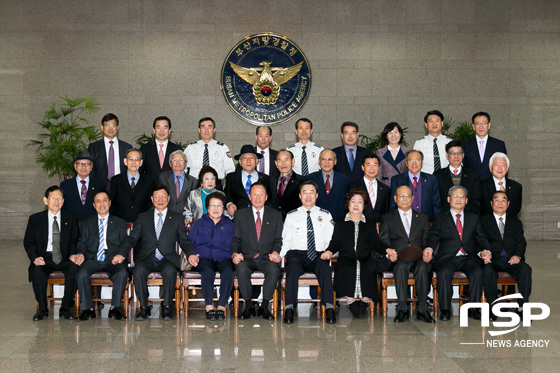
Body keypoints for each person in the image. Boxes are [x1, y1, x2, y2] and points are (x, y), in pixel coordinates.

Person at [119, 184, 199, 321]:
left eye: (163, 196)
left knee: (170, 272)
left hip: (167, 258)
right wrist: (121, 253)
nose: (160, 199)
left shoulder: (177, 218)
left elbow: (184, 241)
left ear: (168, 198)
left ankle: (167, 307)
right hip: (147, 258)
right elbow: (132, 239)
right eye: (157, 196)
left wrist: (191, 254)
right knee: (138, 272)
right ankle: (144, 308)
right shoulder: (143, 217)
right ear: (152, 199)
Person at [426, 186, 492, 321]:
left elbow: (481, 237)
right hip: (447, 258)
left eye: (462, 197)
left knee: (477, 272)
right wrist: (429, 248)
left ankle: (473, 308)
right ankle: (445, 308)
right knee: (443, 273)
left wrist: (487, 251)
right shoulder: (440, 218)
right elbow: (433, 237)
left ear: (466, 200)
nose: (458, 199)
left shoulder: (474, 218)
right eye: (455, 196)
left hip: (468, 257)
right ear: (448, 199)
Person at [281, 181, 336, 324]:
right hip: (297, 255)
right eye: (304, 192)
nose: (308, 196)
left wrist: (329, 251)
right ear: (299, 196)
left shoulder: (325, 214)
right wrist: (279, 255)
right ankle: (289, 308)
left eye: (311, 192)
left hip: (319, 254)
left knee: (325, 268)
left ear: (317, 195)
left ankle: (329, 307)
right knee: (291, 268)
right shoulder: (291, 215)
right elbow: (286, 240)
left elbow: (331, 239)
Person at [378, 186, 434, 324]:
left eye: (408, 196)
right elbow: (383, 241)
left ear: (413, 198)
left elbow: (427, 240)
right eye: (401, 196)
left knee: (422, 268)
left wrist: (428, 250)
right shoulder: (387, 218)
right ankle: (402, 309)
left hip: (418, 258)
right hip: (398, 258)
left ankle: (422, 309)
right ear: (395, 199)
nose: (405, 199)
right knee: (401, 267)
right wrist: (388, 252)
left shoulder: (422, 218)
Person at [23, 186, 79, 321]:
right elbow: (29, 242)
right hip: (44, 257)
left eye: (59, 198)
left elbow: (74, 239)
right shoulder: (35, 219)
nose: (56, 201)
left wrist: (72, 254)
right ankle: (42, 309)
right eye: (53, 198)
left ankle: (65, 308)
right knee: (37, 272)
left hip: (65, 257)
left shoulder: (70, 218)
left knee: (75, 269)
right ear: (45, 200)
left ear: (63, 201)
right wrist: (35, 258)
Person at [325, 189, 383, 319]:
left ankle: (365, 300)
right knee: (346, 267)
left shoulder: (369, 223)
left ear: (364, 205)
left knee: (368, 267)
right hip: (347, 257)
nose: (356, 205)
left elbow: (376, 243)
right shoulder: (340, 222)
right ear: (348, 204)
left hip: (366, 258)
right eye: (353, 202)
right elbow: (335, 242)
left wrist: (387, 250)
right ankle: (350, 301)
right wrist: (329, 251)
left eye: (360, 202)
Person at [231, 182, 283, 321]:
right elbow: (236, 239)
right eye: (254, 194)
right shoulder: (240, 215)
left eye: (261, 194)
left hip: (267, 258)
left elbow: (278, 239)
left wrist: (276, 252)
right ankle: (248, 305)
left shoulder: (276, 215)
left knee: (273, 270)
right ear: (249, 196)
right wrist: (235, 254)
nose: (258, 197)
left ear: (266, 197)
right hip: (247, 257)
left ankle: (264, 306)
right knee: (241, 269)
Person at [74, 190, 128, 321]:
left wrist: (121, 254)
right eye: (98, 201)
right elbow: (82, 242)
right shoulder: (87, 222)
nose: (101, 204)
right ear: (93, 205)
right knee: (81, 274)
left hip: (112, 259)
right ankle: (88, 309)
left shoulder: (119, 222)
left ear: (109, 203)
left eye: (104, 200)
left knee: (121, 273)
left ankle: (114, 308)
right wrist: (80, 253)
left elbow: (125, 243)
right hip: (93, 258)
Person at [481, 191, 532, 315]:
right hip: (492, 259)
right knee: (487, 271)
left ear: (508, 204)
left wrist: (517, 255)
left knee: (525, 269)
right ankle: (492, 307)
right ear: (491, 203)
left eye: (503, 200)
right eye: (496, 200)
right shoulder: (483, 221)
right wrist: (484, 252)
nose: (500, 203)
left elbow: (521, 242)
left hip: (510, 259)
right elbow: (480, 239)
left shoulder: (516, 222)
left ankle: (522, 308)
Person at [188, 192, 234, 321]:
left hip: (223, 257)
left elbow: (235, 243)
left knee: (229, 272)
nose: (216, 208)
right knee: (207, 271)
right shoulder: (199, 223)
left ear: (224, 208)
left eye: (219, 205)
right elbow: (189, 242)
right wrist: (192, 255)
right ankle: (209, 306)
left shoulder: (229, 224)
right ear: (207, 207)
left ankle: (221, 306)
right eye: (212, 205)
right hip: (203, 258)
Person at [390, 150, 441, 221]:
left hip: (427, 222)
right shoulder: (397, 180)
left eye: (417, 160)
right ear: (406, 163)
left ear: (422, 163)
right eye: (411, 160)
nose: (414, 163)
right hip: (403, 223)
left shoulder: (431, 179)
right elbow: (393, 204)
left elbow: (436, 204)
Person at [433, 140, 481, 215]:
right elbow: (436, 201)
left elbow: (476, 201)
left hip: (467, 217)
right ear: (447, 155)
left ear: (463, 155)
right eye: (452, 153)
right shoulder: (438, 175)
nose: (456, 156)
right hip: (444, 218)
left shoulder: (472, 175)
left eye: (459, 153)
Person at [87, 113, 132, 190]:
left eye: (113, 125)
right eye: (107, 125)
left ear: (117, 127)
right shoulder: (94, 147)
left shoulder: (127, 147)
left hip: (122, 186)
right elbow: (90, 169)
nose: (110, 129)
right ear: (102, 127)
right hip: (100, 186)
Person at [109, 148, 155, 223]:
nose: (133, 162)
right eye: (130, 159)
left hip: (142, 223)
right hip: (120, 223)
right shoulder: (116, 180)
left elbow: (150, 204)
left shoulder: (149, 181)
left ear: (141, 162)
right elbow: (112, 203)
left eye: (136, 159)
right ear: (125, 161)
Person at [184, 117, 236, 183]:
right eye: (203, 127)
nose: (206, 130)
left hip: (216, 184)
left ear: (214, 130)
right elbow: (182, 168)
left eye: (209, 127)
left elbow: (230, 170)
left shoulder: (222, 148)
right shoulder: (190, 148)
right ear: (199, 130)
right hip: (195, 184)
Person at [224, 144, 271, 217]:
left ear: (256, 161)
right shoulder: (231, 177)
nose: (248, 161)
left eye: (251, 158)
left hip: (260, 217)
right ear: (240, 161)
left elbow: (270, 199)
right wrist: (230, 204)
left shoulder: (266, 178)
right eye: (245, 158)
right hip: (238, 217)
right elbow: (227, 195)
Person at [60, 151, 106, 221]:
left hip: (93, 225)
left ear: (91, 167)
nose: (84, 167)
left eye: (87, 164)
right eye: (80, 164)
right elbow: (63, 207)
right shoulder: (65, 185)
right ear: (75, 166)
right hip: (72, 225)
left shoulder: (99, 185)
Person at [307, 149, 350, 221]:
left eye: (330, 159)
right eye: (323, 159)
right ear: (319, 161)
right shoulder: (310, 179)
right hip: (316, 221)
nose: (326, 162)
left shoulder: (344, 180)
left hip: (339, 222)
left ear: (335, 161)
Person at [463, 112, 507, 181]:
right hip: (471, 186)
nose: (481, 126)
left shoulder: (499, 145)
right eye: (478, 123)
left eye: (484, 123)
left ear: (489, 125)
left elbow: (503, 167)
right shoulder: (465, 145)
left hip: (492, 186)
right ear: (473, 126)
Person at [348, 154, 391, 224]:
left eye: (375, 165)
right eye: (368, 165)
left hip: (379, 230)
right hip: (360, 228)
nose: (372, 168)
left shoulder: (385, 189)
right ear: (362, 167)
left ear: (379, 168)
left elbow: (386, 212)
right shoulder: (353, 187)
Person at [268, 149, 307, 220]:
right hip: (273, 221)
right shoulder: (270, 180)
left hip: (294, 221)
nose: (283, 163)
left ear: (292, 162)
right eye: (280, 160)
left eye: (286, 160)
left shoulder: (302, 181)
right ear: (276, 163)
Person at [480, 152, 522, 217]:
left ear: (507, 169)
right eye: (496, 165)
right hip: (487, 225)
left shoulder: (516, 187)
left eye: (503, 165)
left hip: (510, 225)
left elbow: (516, 209)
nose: (500, 168)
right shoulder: (481, 186)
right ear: (490, 168)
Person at [158, 150, 199, 214]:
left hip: (185, 217)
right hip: (166, 215)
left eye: (181, 160)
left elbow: (194, 203)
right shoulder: (162, 177)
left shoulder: (193, 181)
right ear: (170, 164)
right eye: (174, 160)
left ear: (185, 163)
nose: (178, 163)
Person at [413, 110, 452, 174]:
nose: (434, 124)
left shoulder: (450, 142)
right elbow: (414, 164)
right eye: (431, 121)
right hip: (426, 180)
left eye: (437, 121)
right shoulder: (419, 143)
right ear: (426, 125)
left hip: (446, 179)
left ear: (442, 123)